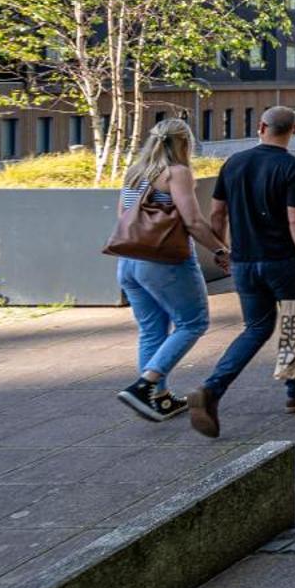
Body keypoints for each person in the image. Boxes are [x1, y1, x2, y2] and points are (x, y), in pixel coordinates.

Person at [189, 106, 295, 438]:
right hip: (283, 262)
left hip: (245, 262)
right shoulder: (293, 168)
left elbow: (217, 213)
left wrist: (222, 251)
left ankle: (212, 389)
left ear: (261, 127)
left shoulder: (234, 163)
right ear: (294, 130)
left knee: (255, 328)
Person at [113, 119, 227, 422]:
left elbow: (124, 215)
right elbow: (193, 221)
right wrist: (220, 249)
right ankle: (145, 384)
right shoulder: (176, 173)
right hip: (162, 261)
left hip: (127, 261)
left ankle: (158, 399)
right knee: (194, 322)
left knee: (152, 329)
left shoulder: (135, 172)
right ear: (184, 143)